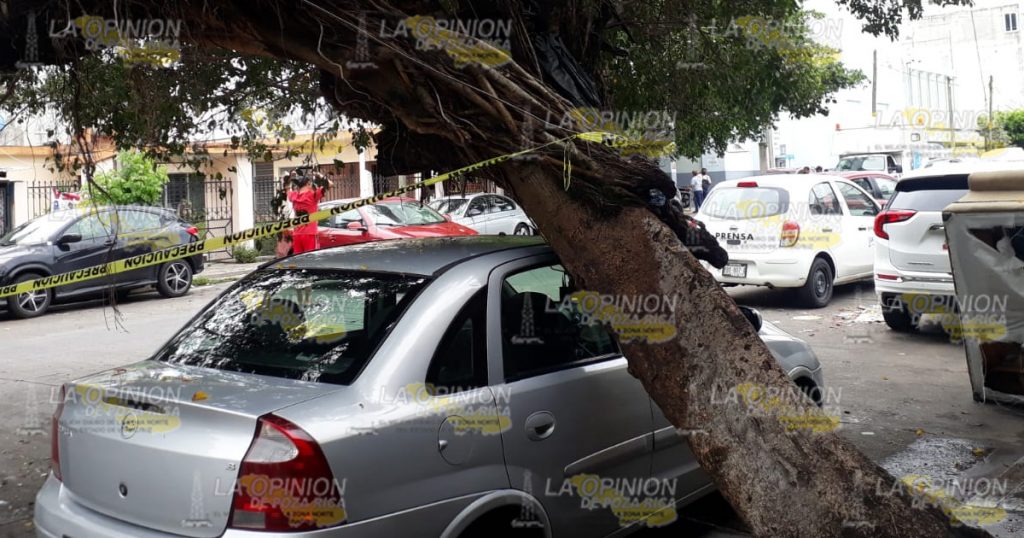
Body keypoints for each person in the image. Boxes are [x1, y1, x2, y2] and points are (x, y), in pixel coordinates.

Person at [285, 170, 332, 254]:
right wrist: (319, 175)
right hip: (310, 234)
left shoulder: (294, 196)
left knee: (299, 260)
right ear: (308, 184)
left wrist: (288, 179)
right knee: (311, 260)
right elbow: (330, 184)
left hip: (297, 234)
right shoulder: (313, 195)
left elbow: (287, 189)